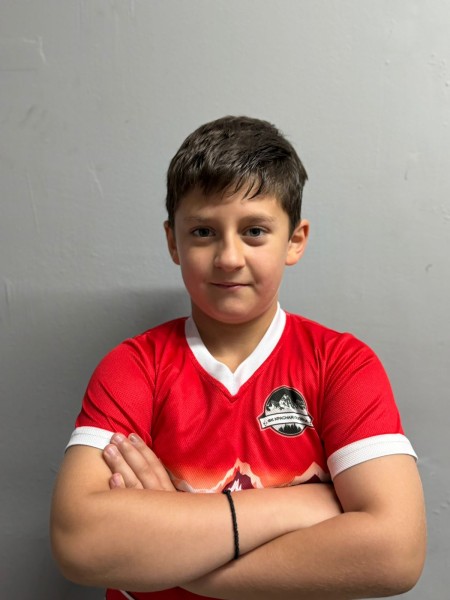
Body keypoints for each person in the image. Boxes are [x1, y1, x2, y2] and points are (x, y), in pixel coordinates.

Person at [51, 116, 426, 600]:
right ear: (173, 241)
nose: (229, 257)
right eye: (203, 231)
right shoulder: (133, 368)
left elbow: (395, 553)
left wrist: (173, 548)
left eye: (254, 231)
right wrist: (295, 507)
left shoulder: (341, 365)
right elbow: (79, 542)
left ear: (294, 240)